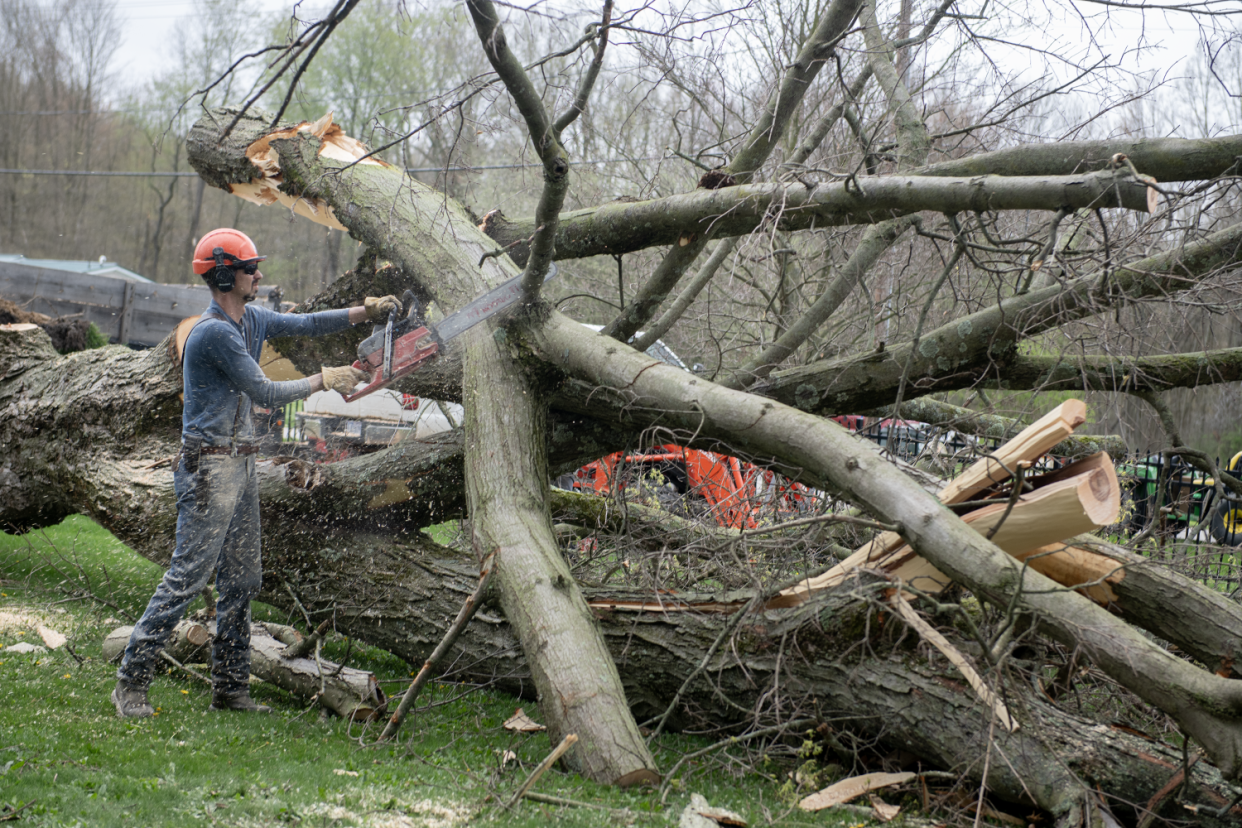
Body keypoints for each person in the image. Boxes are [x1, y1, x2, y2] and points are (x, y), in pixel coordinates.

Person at [112, 228, 397, 718]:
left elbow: (307, 323)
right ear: (225, 274)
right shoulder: (214, 332)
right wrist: (323, 380)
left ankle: (229, 687)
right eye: (249, 269)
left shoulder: (250, 319)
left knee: (243, 579)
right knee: (187, 577)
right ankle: (130, 680)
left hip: (240, 465)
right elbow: (265, 391)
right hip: (209, 468)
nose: (258, 274)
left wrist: (364, 312)